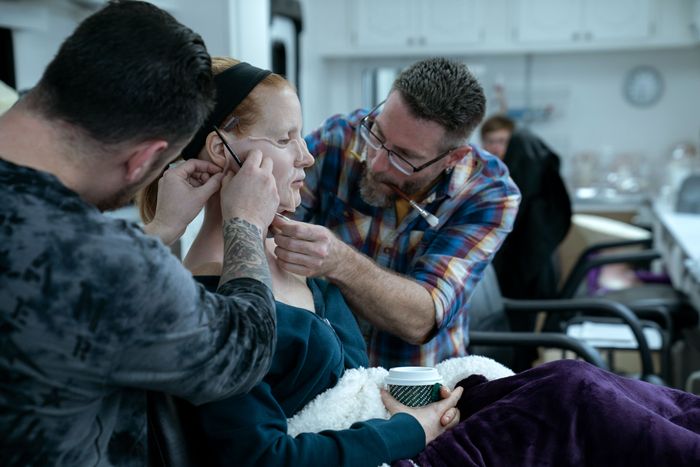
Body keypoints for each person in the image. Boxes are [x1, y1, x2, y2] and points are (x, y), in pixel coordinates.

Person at [138, 58, 464, 467]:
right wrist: (408, 431)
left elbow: (352, 390)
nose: (307, 157)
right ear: (223, 152)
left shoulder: (298, 256)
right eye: (283, 139)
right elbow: (265, 459)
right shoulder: (211, 301)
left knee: (558, 388)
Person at [0, 2, 280, 466]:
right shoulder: (104, 262)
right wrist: (245, 223)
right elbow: (243, 350)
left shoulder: (98, 262)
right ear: (143, 160)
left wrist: (162, 230)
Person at [271, 57, 521, 367]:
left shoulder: (489, 192)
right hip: (328, 366)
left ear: (453, 157)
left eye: (404, 156)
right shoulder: (338, 139)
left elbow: (421, 320)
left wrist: (339, 262)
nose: (375, 163)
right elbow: (267, 225)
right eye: (377, 133)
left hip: (416, 380)